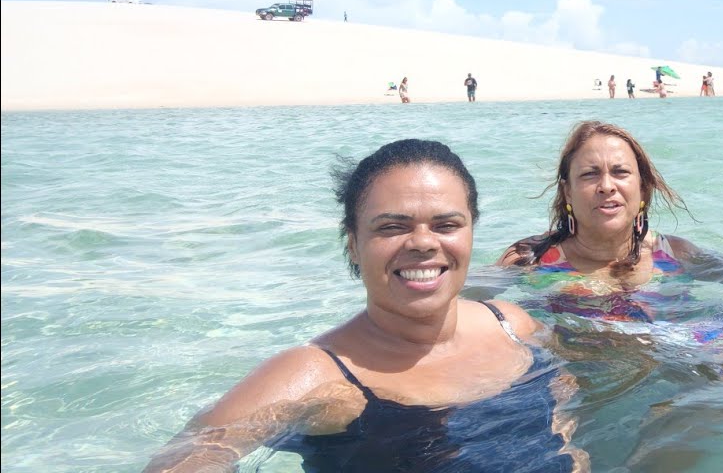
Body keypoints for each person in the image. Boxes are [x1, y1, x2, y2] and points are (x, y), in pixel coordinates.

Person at [146, 139, 582, 472]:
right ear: (354, 244)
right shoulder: (318, 374)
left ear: (470, 233)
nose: (424, 243)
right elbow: (193, 455)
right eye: (392, 227)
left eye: (447, 224)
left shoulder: (513, 324)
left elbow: (562, 402)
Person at [498, 121, 699, 292]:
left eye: (620, 172)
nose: (606, 186)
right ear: (567, 192)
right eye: (589, 174)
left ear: (643, 189)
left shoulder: (678, 254)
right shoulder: (527, 260)